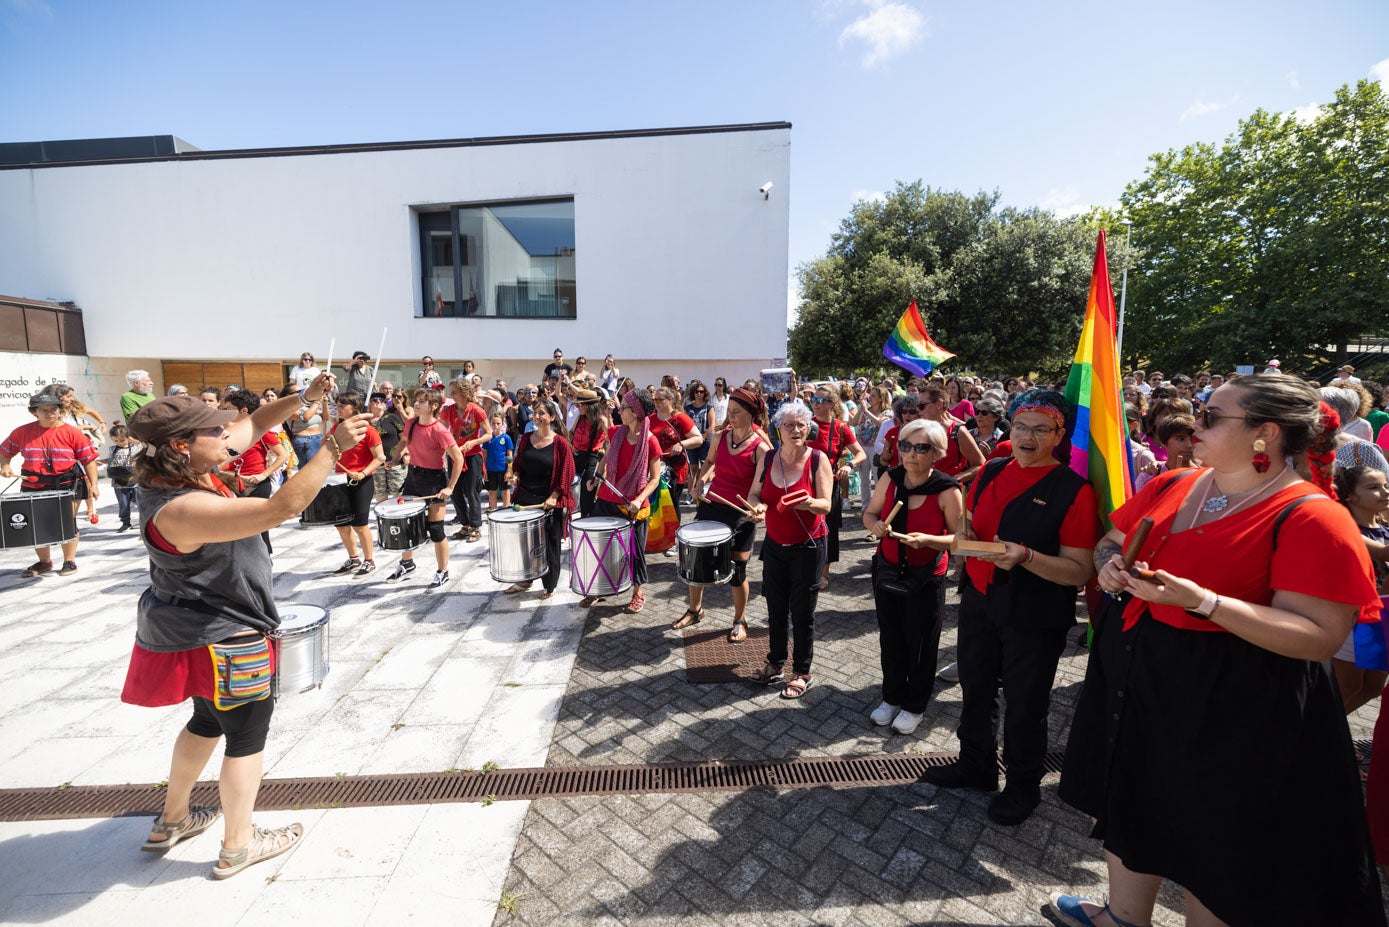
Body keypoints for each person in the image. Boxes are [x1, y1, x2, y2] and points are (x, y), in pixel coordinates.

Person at [1053, 373, 1386, 927]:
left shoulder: (1312, 516)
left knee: (1216, 840)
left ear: (1266, 434)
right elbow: (1114, 537)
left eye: (1211, 416)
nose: (1192, 422)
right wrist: (1112, 562)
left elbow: (1319, 637)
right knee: (1133, 799)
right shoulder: (1176, 483)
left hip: (1235, 699)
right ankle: (1122, 918)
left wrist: (1205, 602)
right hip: (1143, 675)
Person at [120, 379, 372, 879]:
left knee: (207, 722)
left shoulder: (181, 466)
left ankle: (172, 820)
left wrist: (302, 398)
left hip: (193, 629)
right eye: (214, 430)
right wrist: (330, 448)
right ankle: (239, 844)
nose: (225, 433)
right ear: (180, 444)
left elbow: (254, 423)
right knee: (246, 736)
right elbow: (281, 508)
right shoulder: (181, 507)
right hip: (225, 633)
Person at [925, 388, 1098, 826]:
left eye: (1041, 429)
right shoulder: (993, 470)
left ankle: (1023, 787)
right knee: (976, 689)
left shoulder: (1074, 491)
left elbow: (1079, 571)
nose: (1027, 436)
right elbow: (971, 528)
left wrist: (1026, 557)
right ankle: (976, 766)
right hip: (980, 602)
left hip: (1034, 615)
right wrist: (960, 532)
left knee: (1025, 703)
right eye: (1021, 426)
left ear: (1060, 434)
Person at [863, 419, 962, 734]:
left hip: (925, 576)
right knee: (890, 638)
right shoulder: (890, 479)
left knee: (920, 643)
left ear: (937, 453)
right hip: (888, 569)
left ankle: (915, 704)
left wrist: (930, 540)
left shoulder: (947, 489)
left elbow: (961, 539)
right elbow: (870, 513)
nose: (911, 454)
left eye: (921, 448)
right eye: (906, 446)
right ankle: (891, 697)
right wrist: (874, 526)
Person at [745, 400, 833, 700]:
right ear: (778, 429)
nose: (796, 430)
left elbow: (826, 503)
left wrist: (807, 502)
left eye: (801, 424)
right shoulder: (768, 458)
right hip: (774, 545)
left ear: (808, 427)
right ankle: (775, 662)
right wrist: (756, 507)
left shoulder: (818, 459)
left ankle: (802, 671)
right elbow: (756, 493)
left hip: (808, 546)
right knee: (775, 608)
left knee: (802, 612)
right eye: (789, 425)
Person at [682, 387, 772, 641]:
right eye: (729, 411)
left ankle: (739, 620)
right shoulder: (721, 437)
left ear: (752, 414)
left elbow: (759, 489)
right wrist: (701, 482)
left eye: (737, 412)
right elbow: (710, 463)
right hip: (712, 505)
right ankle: (695, 609)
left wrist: (758, 508)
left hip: (740, 513)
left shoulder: (761, 447)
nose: (730, 416)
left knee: (737, 570)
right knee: (697, 561)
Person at [0, 390, 100, 577]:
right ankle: (44, 562)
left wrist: (94, 484)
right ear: (34, 412)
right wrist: (5, 466)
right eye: (43, 410)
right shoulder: (22, 432)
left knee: (66, 522)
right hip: (33, 483)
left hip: (67, 482)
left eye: (53, 409)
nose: (49, 413)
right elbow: (4, 451)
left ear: (60, 410)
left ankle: (69, 561)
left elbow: (89, 460)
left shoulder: (72, 433)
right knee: (36, 524)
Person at [588, 389, 662, 612]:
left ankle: (638, 592)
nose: (620, 411)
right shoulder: (616, 433)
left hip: (633, 506)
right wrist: (595, 477)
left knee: (635, 552)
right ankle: (598, 589)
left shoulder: (651, 441)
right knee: (599, 547)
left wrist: (639, 499)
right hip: (607, 497)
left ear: (637, 412)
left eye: (624, 408)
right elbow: (606, 457)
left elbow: (656, 479)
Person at [386, 389, 463, 587]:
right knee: (407, 524)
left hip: (434, 479)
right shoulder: (411, 423)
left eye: (422, 401)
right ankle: (407, 563)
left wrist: (450, 487)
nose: (417, 404)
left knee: (436, 529)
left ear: (435, 406)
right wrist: (395, 459)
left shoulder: (440, 430)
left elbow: (458, 458)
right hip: (413, 476)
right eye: (417, 401)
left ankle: (443, 570)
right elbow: (404, 441)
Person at [1331, 466, 1389, 715]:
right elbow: (1385, 554)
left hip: (1380, 617)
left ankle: (1334, 734)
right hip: (1355, 619)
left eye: (1386, 485)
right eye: (1373, 487)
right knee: (1347, 686)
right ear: (1349, 496)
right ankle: (1312, 738)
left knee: (1372, 687)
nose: (1384, 491)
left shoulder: (1384, 527)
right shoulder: (1349, 528)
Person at [503, 398, 576, 599]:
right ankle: (525, 579)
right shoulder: (526, 438)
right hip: (525, 498)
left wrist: (553, 497)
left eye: (542, 413)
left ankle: (550, 585)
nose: (537, 416)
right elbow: (518, 464)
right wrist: (514, 475)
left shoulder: (560, 443)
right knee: (524, 543)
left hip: (548, 501)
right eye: (535, 413)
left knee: (550, 544)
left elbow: (567, 474)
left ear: (552, 417)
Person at [215, 390, 289, 553]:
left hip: (257, 483)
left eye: (229, 409)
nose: (226, 413)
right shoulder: (224, 432)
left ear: (243, 411)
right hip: (232, 482)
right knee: (240, 527)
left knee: (259, 527)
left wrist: (263, 474)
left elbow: (283, 456)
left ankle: (264, 559)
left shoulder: (262, 431)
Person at [807, 383, 866, 588]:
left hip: (828, 485)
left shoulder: (840, 427)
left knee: (827, 528)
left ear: (832, 403)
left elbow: (860, 453)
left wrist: (849, 466)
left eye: (820, 400)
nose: (815, 403)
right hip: (804, 483)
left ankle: (824, 572)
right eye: (813, 400)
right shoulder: (805, 424)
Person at [325, 392, 385, 578]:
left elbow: (380, 457)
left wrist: (363, 473)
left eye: (344, 405)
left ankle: (369, 561)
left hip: (361, 480)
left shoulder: (368, 430)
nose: (339, 407)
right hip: (340, 480)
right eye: (338, 404)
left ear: (355, 408)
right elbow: (326, 448)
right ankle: (353, 558)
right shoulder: (336, 428)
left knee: (360, 524)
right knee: (342, 524)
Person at [440, 378, 491, 542]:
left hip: (472, 455)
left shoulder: (476, 410)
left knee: (471, 491)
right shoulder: (448, 411)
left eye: (454, 392)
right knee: (454, 491)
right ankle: (465, 524)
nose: (452, 395)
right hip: (455, 455)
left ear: (464, 393)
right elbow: (439, 429)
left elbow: (489, 433)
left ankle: (476, 526)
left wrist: (473, 442)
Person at [650, 386, 702, 526]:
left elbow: (698, 438)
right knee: (656, 503)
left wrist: (681, 444)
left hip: (675, 469)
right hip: (655, 467)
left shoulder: (680, 418)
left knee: (672, 503)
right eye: (655, 399)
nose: (656, 402)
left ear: (670, 400)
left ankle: (673, 538)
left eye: (660, 400)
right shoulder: (651, 419)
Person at [569, 388, 610, 518]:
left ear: (589, 405)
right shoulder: (580, 418)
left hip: (592, 458)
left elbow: (611, 440)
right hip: (577, 455)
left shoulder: (601, 420)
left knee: (587, 490)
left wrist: (606, 459)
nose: (577, 407)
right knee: (570, 486)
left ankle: (586, 521)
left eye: (580, 404)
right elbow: (570, 432)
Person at [369, 391, 408, 501]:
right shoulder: (366, 421)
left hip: (395, 461)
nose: (379, 402)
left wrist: (406, 453)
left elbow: (405, 438)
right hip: (375, 463)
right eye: (375, 400)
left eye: (382, 400)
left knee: (399, 494)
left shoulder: (392, 418)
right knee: (380, 495)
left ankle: (398, 517)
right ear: (370, 404)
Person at [106, 424, 141, 531]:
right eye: (115, 440)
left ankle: (143, 520)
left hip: (135, 480)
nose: (119, 443)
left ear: (128, 438)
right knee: (123, 504)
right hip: (118, 481)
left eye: (122, 440)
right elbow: (110, 460)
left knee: (140, 502)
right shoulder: (112, 449)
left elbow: (147, 447)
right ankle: (125, 522)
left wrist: (134, 441)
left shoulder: (136, 448)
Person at [683, 380, 715, 494]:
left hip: (706, 441)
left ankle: (705, 491)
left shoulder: (709, 407)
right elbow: (684, 425)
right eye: (697, 391)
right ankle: (690, 493)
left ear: (705, 393)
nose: (699, 394)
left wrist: (703, 437)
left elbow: (712, 425)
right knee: (693, 468)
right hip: (692, 441)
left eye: (701, 391)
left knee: (707, 466)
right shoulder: (688, 408)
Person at [481, 412, 514, 511]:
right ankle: (493, 509)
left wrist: (509, 470)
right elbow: (485, 454)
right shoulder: (488, 438)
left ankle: (506, 509)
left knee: (505, 490)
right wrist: (484, 470)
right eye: (493, 423)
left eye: (498, 423)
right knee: (492, 491)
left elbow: (509, 455)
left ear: (502, 424)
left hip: (503, 468)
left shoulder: (506, 438)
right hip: (491, 468)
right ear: (490, 424)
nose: (496, 425)